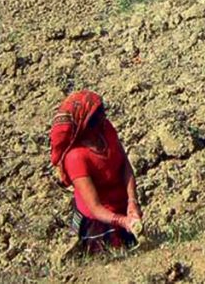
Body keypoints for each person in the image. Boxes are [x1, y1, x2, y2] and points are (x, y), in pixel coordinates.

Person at [50, 90, 143, 253]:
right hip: (99, 221)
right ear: (84, 122)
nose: (103, 117)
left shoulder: (106, 130)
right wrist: (124, 222)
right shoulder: (76, 157)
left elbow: (125, 166)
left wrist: (132, 202)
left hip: (121, 206)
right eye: (97, 115)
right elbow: (95, 207)